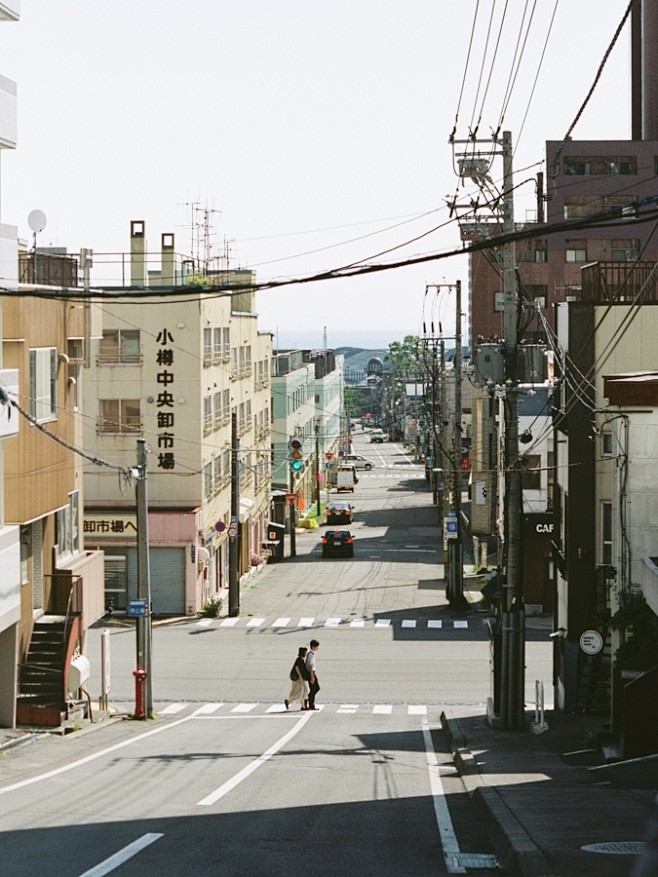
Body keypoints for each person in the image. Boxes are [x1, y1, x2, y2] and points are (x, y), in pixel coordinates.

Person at [285, 646, 308, 711]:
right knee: (298, 692)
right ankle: (288, 701)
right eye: (305, 652)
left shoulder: (301, 659)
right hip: (298, 679)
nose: (306, 653)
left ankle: (303, 706)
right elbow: (297, 668)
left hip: (301, 678)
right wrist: (300, 677)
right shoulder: (299, 660)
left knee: (303, 692)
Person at [305, 639, 320, 710]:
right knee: (315, 688)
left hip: (311, 673)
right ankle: (310, 702)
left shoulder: (310, 653)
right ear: (313, 647)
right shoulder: (311, 655)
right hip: (311, 673)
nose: (318, 648)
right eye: (317, 647)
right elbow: (310, 666)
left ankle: (308, 700)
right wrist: (312, 677)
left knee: (314, 688)